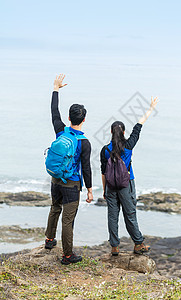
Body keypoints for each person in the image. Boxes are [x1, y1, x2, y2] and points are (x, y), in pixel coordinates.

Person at [100, 97, 159, 255]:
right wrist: (150, 109)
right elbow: (138, 126)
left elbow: (104, 171)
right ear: (123, 132)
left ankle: (114, 247)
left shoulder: (105, 150)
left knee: (112, 217)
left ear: (111, 132)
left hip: (111, 187)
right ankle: (138, 244)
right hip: (127, 184)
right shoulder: (129, 145)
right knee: (130, 213)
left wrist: (105, 190)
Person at [45, 74, 93, 265]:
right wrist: (89, 190)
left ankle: (49, 240)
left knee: (54, 208)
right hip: (72, 184)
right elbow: (87, 169)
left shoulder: (60, 130)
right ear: (84, 120)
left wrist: (55, 89)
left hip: (56, 179)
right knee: (68, 220)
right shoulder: (84, 143)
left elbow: (53, 111)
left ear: (68, 118)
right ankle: (67, 255)